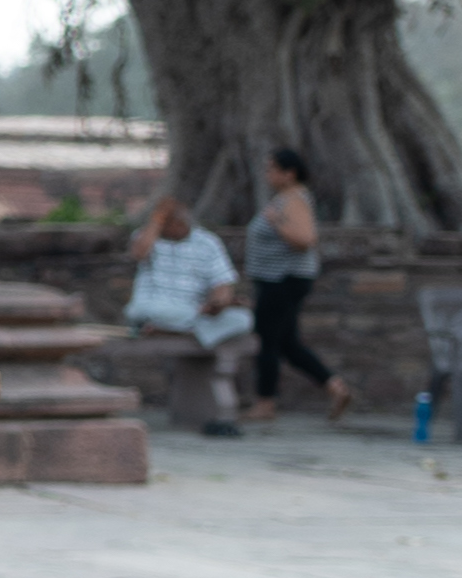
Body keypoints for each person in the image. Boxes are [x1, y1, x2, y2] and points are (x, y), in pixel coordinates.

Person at [122, 187, 253, 433]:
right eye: (165, 224)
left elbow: (223, 284)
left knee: (242, 319)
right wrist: (156, 220)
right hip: (155, 309)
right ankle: (179, 327)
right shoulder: (148, 237)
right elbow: (138, 254)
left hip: (193, 314)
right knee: (142, 311)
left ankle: (171, 331)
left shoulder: (207, 242)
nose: (170, 229)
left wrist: (219, 303)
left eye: (173, 223)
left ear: (185, 224)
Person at [242, 148, 350, 424]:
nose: (267, 174)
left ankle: (265, 403)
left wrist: (276, 222)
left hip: (283, 280)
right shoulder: (286, 199)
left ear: (289, 173)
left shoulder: (294, 200)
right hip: (277, 279)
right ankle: (334, 387)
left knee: (267, 341)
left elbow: (305, 239)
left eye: (271, 169)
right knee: (288, 344)